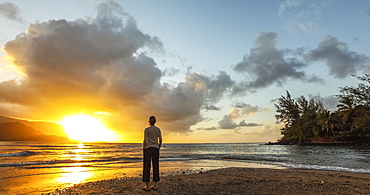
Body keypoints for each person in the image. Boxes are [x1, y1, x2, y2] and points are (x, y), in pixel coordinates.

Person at [142, 116, 162, 191]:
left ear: (149, 121)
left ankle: (147, 186)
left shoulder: (147, 129)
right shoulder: (158, 129)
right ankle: (155, 185)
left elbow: (145, 140)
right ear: (155, 121)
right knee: (155, 166)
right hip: (155, 148)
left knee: (147, 166)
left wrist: (144, 148)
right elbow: (160, 139)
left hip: (148, 148)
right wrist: (158, 147)